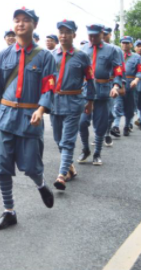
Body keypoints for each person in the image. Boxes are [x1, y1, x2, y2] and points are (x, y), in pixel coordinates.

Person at [0, 7, 56, 230]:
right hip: (5, 117)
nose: (21, 24)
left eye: (26, 20)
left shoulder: (45, 57)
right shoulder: (3, 55)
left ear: (34, 25)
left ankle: (41, 184)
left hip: (30, 117)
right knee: (1, 167)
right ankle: (9, 211)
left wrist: (42, 109)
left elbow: (48, 88)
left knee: (31, 167)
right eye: (17, 20)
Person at [49, 20, 94, 190]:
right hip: (55, 103)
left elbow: (90, 80)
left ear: (74, 35)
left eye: (68, 32)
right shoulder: (51, 55)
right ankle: (71, 168)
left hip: (74, 102)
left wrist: (89, 101)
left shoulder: (82, 56)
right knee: (58, 140)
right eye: (61, 32)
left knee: (67, 141)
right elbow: (46, 81)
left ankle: (61, 176)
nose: (63, 35)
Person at [77, 24, 123, 166]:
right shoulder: (83, 50)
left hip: (103, 91)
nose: (92, 37)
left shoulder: (112, 50)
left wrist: (116, 86)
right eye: (90, 35)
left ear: (102, 34)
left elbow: (118, 70)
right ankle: (86, 149)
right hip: (85, 92)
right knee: (82, 123)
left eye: (95, 35)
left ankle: (97, 152)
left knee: (100, 125)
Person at [112, 36, 141, 137]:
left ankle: (127, 126)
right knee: (117, 106)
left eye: (127, 43)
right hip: (119, 83)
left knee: (130, 108)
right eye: (123, 43)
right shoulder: (116, 55)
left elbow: (140, 71)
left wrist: (136, 80)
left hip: (131, 84)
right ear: (121, 44)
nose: (125, 44)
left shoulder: (136, 57)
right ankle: (116, 126)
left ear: (131, 45)